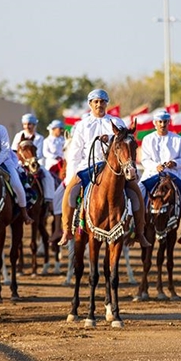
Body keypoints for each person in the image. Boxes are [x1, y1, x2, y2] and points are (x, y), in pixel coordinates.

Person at [59, 89, 149, 248]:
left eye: (102, 101)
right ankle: (67, 230)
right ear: (90, 104)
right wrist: (71, 176)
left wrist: (112, 141)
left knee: (136, 192)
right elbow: (75, 152)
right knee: (69, 193)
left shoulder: (117, 122)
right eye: (96, 102)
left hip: (114, 168)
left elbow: (124, 143)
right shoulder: (82, 125)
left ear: (106, 103)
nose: (99, 105)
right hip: (88, 166)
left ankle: (140, 232)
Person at [138, 110, 181, 249]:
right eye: (160, 122)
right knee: (138, 194)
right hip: (152, 174)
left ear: (169, 122)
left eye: (165, 121)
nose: (162, 124)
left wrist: (175, 163)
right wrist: (156, 166)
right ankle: (135, 230)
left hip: (174, 175)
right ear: (155, 123)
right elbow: (144, 159)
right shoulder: (148, 139)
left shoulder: (178, 139)